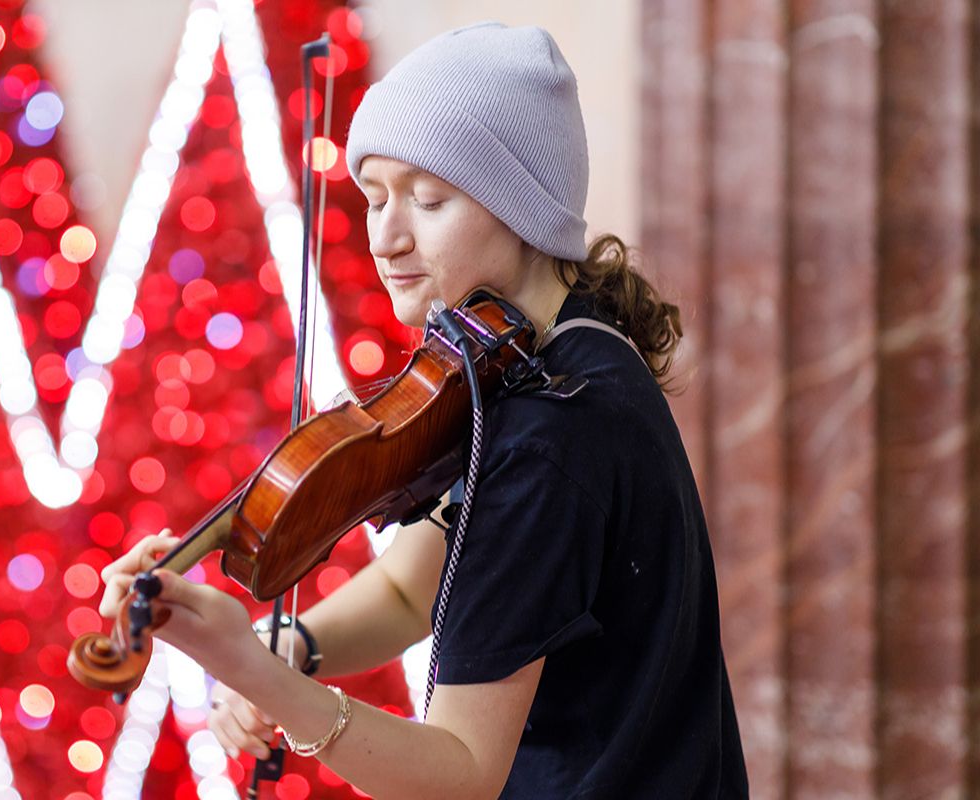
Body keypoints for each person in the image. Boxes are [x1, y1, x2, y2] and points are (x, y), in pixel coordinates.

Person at [98, 21, 748, 798]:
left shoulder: (551, 432)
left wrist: (250, 668)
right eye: (375, 199)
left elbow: (460, 774)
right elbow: (413, 587)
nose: (386, 237)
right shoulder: (549, 355)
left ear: (524, 208)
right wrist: (293, 643)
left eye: (430, 199)